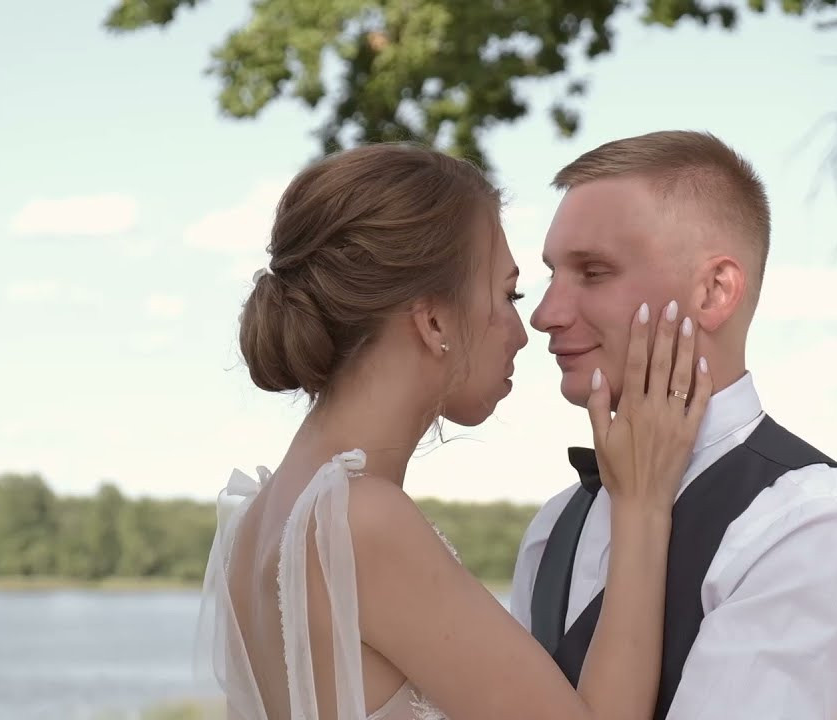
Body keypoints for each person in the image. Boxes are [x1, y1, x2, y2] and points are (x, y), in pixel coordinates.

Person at [195, 142, 712, 719]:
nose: (528, 329)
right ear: (434, 318)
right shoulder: (361, 522)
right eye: (508, 294)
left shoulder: (255, 520)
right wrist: (640, 506)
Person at [510, 130, 837, 719]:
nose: (545, 315)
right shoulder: (553, 529)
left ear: (715, 291)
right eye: (551, 276)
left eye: (593, 272)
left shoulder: (813, 523)